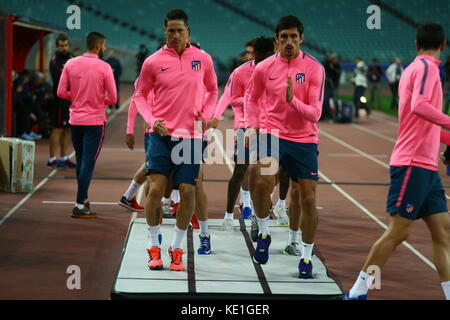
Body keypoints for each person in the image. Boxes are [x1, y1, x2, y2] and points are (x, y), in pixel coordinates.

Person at [344, 22, 450, 300]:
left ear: (416, 44)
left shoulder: (413, 70)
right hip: (413, 163)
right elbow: (420, 106)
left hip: (426, 167)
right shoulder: (426, 68)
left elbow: (425, 124)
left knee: (443, 232)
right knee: (399, 232)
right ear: (444, 45)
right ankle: (358, 292)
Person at [134, 9, 218, 271]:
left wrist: (207, 113)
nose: (175, 35)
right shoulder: (152, 61)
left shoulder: (203, 59)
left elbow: (213, 89)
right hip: (160, 135)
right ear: (164, 32)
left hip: (191, 136)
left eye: (180, 30)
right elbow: (139, 96)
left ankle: (177, 246)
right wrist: (150, 119)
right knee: (156, 190)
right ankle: (153, 246)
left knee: (188, 191)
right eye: (171, 30)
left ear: (188, 32)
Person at [245, 15, 324, 278]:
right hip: (272, 133)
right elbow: (253, 99)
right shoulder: (263, 67)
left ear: (301, 38)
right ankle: (265, 232)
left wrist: (293, 101)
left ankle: (305, 257)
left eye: (293, 37)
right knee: (260, 182)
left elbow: (315, 113)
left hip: (304, 139)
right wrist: (252, 126)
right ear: (276, 40)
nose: (289, 42)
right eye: (284, 37)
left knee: (307, 199)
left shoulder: (314, 68)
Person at [209, 37, 275, 231]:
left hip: (270, 126)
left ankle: (259, 211)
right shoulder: (240, 72)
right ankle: (229, 214)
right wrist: (250, 100)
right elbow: (230, 97)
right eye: (258, 56)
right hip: (244, 126)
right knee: (240, 170)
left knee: (267, 172)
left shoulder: (278, 71)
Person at [57, 32, 117, 218]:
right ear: (98, 46)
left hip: (75, 120)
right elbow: (113, 98)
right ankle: (79, 204)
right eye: (104, 45)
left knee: (81, 161)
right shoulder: (105, 67)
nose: (105, 49)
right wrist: (98, 100)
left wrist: (76, 98)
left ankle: (83, 200)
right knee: (88, 163)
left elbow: (60, 92)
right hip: (95, 121)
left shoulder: (71, 63)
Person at [49, 34, 75, 169]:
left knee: (67, 129)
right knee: (58, 128)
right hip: (59, 100)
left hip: (71, 100)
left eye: (65, 45)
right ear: (57, 47)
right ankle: (52, 158)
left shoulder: (71, 59)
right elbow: (64, 78)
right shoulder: (54, 61)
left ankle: (64, 157)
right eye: (61, 46)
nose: (64, 48)